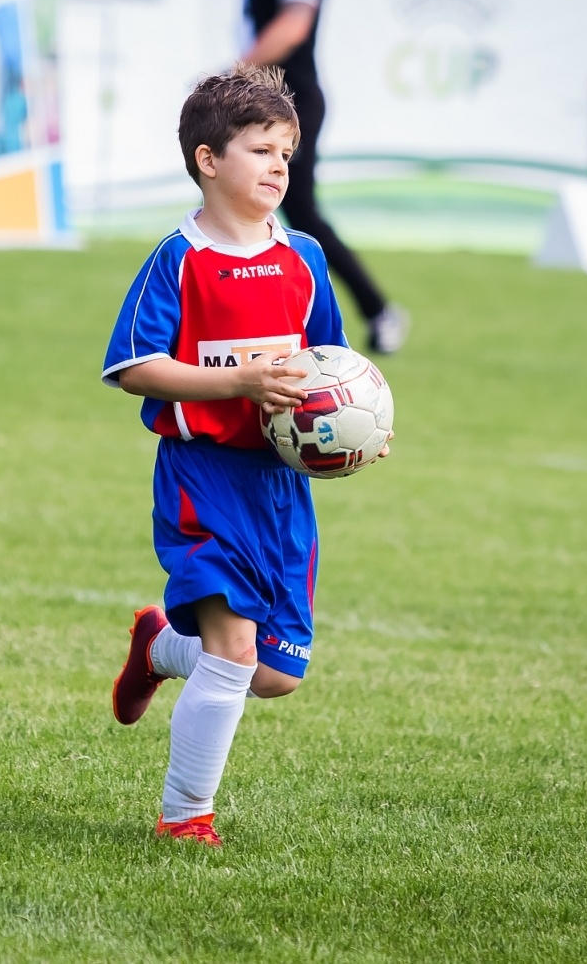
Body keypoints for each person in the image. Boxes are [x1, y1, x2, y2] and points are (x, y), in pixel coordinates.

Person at [104, 65, 388, 845]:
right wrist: (238, 380)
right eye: (260, 150)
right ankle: (185, 816)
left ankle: (160, 647)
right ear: (208, 160)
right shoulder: (181, 257)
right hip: (204, 477)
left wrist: (362, 429)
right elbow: (133, 366)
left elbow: (331, 363)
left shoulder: (303, 258)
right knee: (232, 650)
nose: (276, 167)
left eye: (285, 156)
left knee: (275, 673)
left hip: (281, 490)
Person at [242, 0, 409, 355]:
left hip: (292, 103)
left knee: (300, 216)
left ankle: (378, 311)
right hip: (260, 100)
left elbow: (294, 26)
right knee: (243, 208)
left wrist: (233, 69)